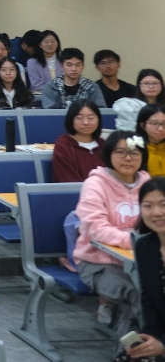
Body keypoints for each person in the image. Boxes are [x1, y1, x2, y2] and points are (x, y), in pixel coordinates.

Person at [74, 131, 150, 339]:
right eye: (121, 152)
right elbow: (97, 229)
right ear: (109, 154)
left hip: (140, 261)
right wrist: (135, 241)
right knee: (138, 294)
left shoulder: (147, 183)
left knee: (154, 292)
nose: (128, 158)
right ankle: (133, 349)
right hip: (98, 263)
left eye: (134, 153)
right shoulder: (95, 184)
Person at [129, 179, 165, 359]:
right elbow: (148, 299)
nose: (157, 212)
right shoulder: (145, 246)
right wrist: (150, 339)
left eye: (163, 205)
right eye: (148, 206)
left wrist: (163, 345)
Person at [52, 100, 105, 183]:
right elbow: (67, 180)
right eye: (79, 118)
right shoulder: (64, 146)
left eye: (91, 118)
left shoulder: (104, 145)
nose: (86, 122)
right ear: (71, 120)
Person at [40, 47, 106, 109]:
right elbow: (49, 112)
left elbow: (101, 111)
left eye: (78, 65)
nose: (74, 69)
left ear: (83, 66)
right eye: (69, 65)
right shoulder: (51, 86)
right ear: (61, 66)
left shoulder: (92, 87)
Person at [137, 104, 165, 178]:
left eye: (164, 124)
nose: (160, 129)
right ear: (142, 125)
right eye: (154, 123)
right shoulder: (135, 148)